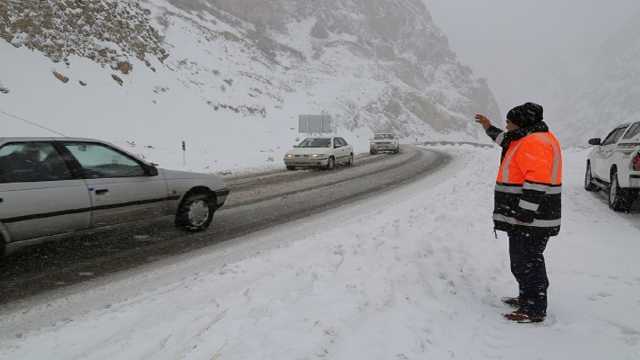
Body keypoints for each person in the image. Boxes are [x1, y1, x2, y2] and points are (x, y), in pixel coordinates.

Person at [475, 102, 562, 323]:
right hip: (529, 217)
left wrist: (525, 212)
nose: (506, 125)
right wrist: (488, 126)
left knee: (527, 262)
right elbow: (503, 139)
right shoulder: (524, 138)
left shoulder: (536, 143)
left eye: (509, 122)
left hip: (533, 218)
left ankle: (533, 308)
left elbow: (537, 181)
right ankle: (527, 298)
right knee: (524, 261)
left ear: (521, 122)